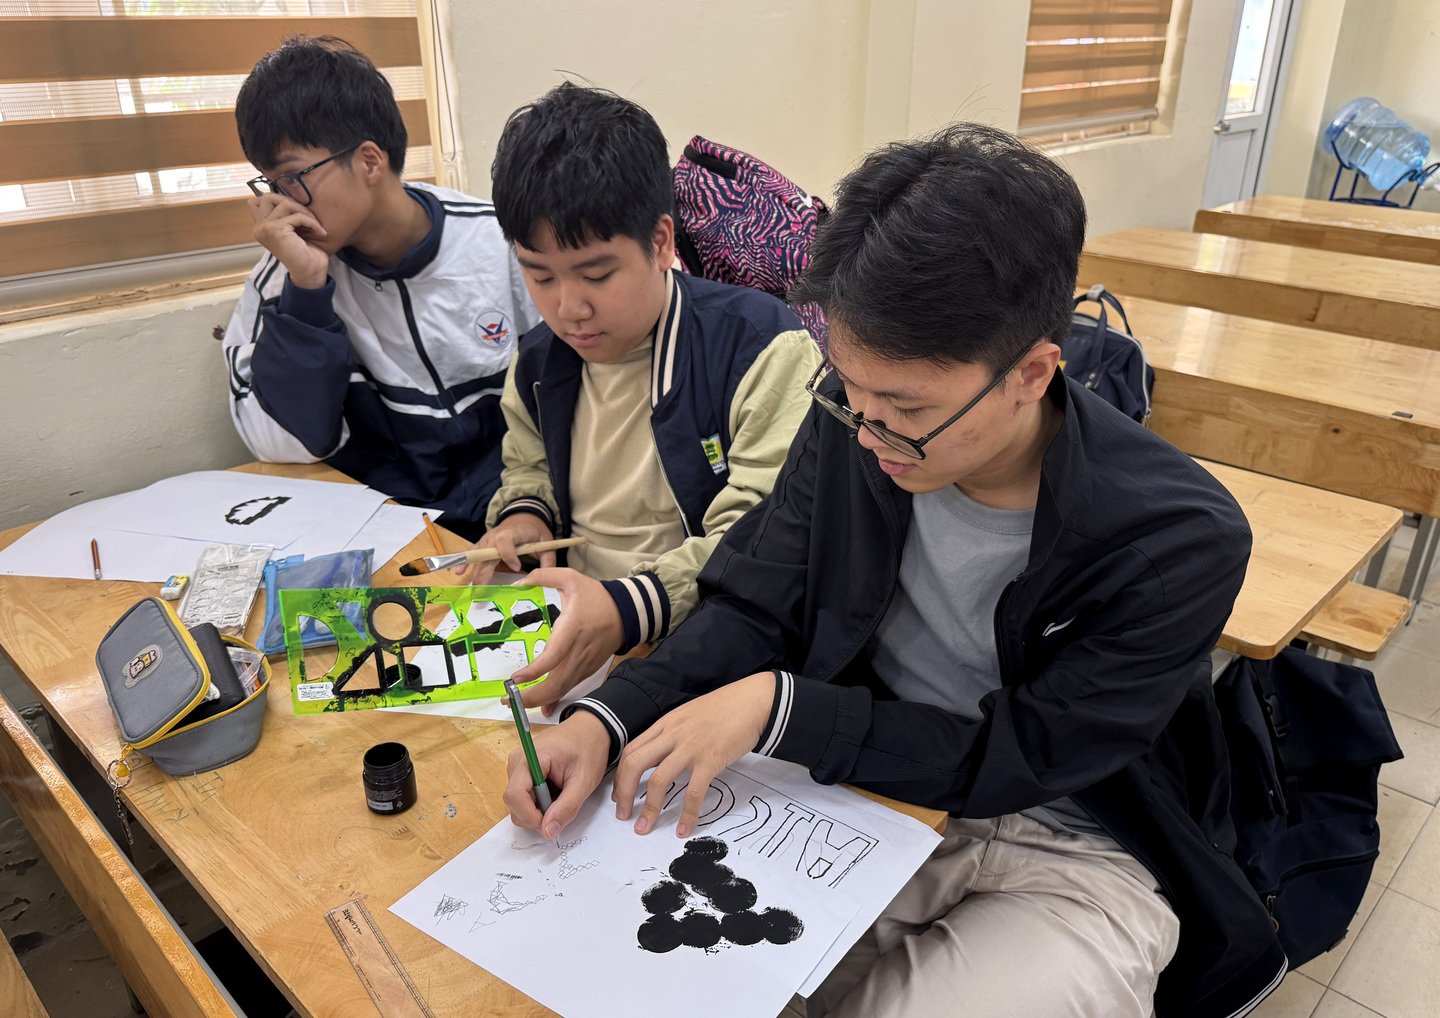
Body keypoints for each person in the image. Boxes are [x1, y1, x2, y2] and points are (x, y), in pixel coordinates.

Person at [503, 124, 1287, 1018]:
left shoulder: (1176, 536)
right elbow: (756, 597)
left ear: (1032, 372)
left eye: (906, 409)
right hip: (869, 803)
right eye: (852, 387)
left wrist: (783, 708)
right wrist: (605, 719)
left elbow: (1029, 754)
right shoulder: (853, 419)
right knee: (666, 977)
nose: (870, 432)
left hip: (1076, 840)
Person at [465, 83, 821, 709]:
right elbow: (528, 465)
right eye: (539, 275)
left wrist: (629, 608)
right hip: (569, 619)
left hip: (701, 640)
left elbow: (762, 535)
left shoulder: (760, 347)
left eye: (597, 274)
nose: (569, 309)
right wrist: (524, 516)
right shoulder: (541, 360)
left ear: (661, 242)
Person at [221, 36, 539, 539]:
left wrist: (527, 510)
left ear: (369, 161)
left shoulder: (499, 241)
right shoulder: (282, 278)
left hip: (521, 521)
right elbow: (281, 445)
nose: (281, 207)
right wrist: (307, 289)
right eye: (270, 185)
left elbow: (576, 401)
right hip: (387, 540)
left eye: (293, 178)